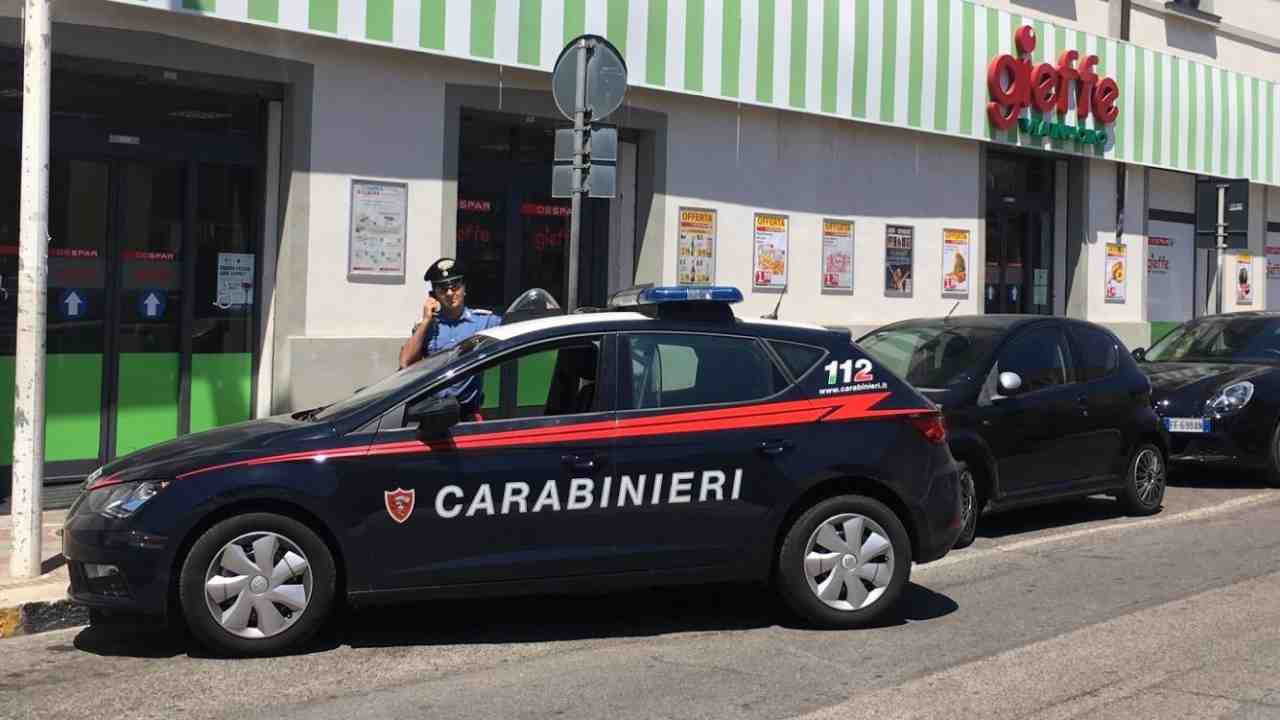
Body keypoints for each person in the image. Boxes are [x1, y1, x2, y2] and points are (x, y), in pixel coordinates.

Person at [399, 258, 501, 415]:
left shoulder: (485, 321)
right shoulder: (427, 326)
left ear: (464, 288)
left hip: (467, 413)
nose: (449, 293)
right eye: (443, 289)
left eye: (455, 287)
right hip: (433, 413)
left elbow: (521, 327)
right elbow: (405, 362)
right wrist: (426, 320)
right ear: (434, 295)